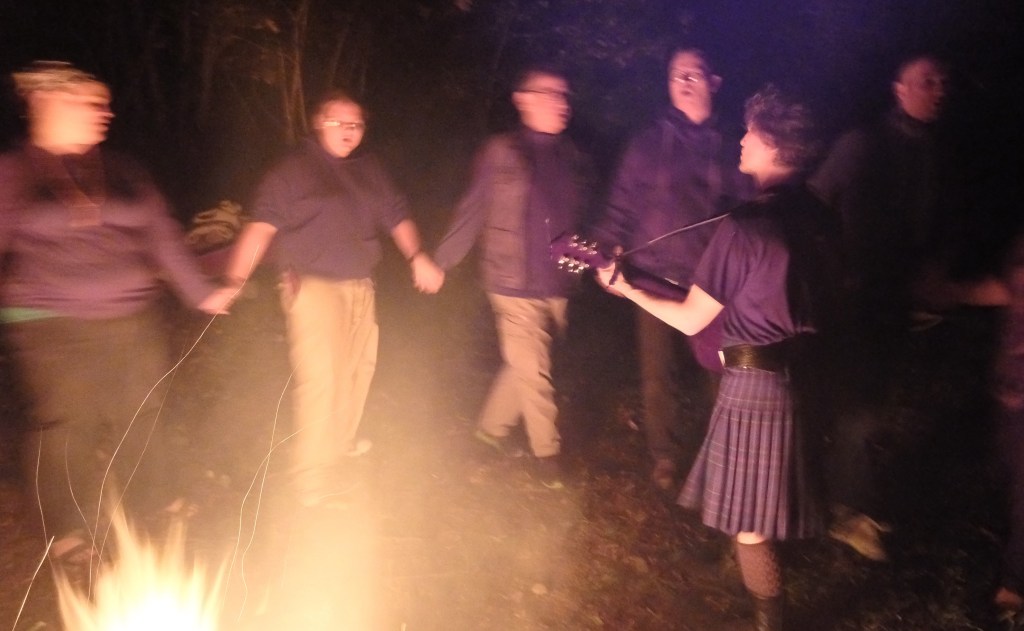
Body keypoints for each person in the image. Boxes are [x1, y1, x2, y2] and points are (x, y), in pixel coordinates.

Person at [598, 85, 836, 631]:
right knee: (763, 501)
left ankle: (770, 620)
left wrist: (627, 288)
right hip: (806, 370)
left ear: (773, 144)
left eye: (751, 132)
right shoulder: (821, 214)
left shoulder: (746, 226)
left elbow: (689, 318)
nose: (742, 139)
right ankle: (756, 585)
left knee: (750, 522)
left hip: (756, 382)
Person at [0, 62, 232, 572]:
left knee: (142, 415)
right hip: (48, 323)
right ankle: (68, 530)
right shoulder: (16, 170)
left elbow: (160, 231)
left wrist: (200, 293)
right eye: (91, 102)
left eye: (105, 102)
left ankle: (153, 500)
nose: (106, 112)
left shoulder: (123, 170)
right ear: (49, 104)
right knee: (67, 426)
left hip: (130, 317)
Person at [219, 89, 440, 508]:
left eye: (356, 125)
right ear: (319, 123)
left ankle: (335, 451)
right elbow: (261, 227)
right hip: (312, 285)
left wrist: (418, 255)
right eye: (339, 123)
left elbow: (397, 214)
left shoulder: (369, 168)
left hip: (360, 283)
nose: (348, 132)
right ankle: (310, 477)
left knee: (358, 372)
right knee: (322, 378)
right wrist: (233, 279)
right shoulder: (293, 172)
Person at [809, 54, 959, 560]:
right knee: (858, 407)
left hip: (895, 298)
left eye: (943, 82)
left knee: (874, 404)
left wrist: (928, 273)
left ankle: (850, 499)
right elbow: (815, 203)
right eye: (927, 81)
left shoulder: (930, 149)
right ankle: (844, 512)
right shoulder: (862, 145)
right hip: (855, 299)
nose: (939, 90)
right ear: (898, 89)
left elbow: (923, 224)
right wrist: (835, 271)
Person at [421, 64, 593, 490]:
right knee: (535, 371)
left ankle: (489, 432)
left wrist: (593, 254)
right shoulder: (501, 151)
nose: (561, 103)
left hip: (556, 283)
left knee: (524, 365)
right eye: (550, 93)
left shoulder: (573, 157)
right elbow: (473, 207)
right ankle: (547, 457)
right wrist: (443, 260)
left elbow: (584, 218)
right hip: (511, 280)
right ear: (523, 98)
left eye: (564, 95)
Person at [589, 47, 752, 491]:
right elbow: (618, 206)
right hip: (652, 275)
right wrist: (605, 253)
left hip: (713, 285)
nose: (682, 81)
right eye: (675, 75)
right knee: (657, 374)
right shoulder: (646, 143)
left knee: (719, 375)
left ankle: (722, 458)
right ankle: (664, 456)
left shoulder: (736, 143)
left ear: (713, 82)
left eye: (693, 74)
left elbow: (753, 208)